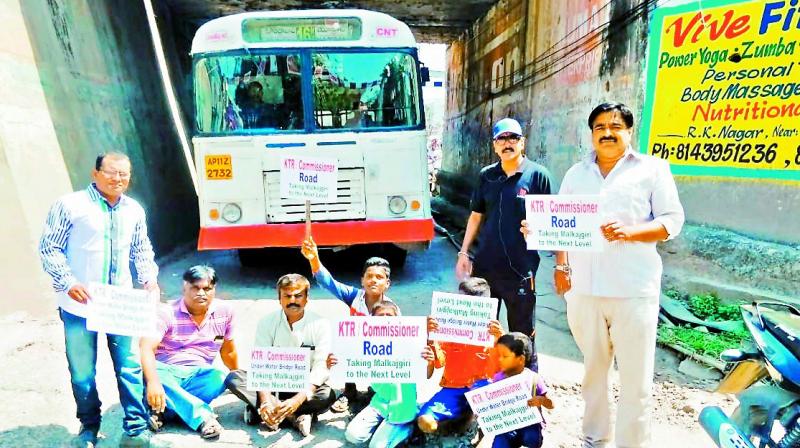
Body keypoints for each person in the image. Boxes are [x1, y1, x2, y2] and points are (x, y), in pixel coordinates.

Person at [525, 102, 684, 447]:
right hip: (584, 290)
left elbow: (672, 221)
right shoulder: (575, 174)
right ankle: (594, 439)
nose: (608, 133)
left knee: (635, 380)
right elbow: (559, 222)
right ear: (592, 133)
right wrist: (546, 242)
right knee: (593, 372)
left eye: (615, 126)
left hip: (633, 290)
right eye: (600, 127)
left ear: (629, 131)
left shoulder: (653, 170)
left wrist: (630, 232)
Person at [39, 153, 162, 447]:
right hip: (78, 305)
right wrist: (68, 282)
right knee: (82, 372)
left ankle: (135, 430)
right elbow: (50, 248)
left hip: (118, 303)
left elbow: (141, 249)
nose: (118, 179)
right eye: (111, 172)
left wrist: (149, 279)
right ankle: (89, 427)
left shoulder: (134, 210)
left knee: (130, 367)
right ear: (95, 173)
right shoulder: (70, 205)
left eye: (124, 174)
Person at [455, 118, 554, 370]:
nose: (507, 143)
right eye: (502, 139)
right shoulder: (486, 176)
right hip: (485, 268)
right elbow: (476, 215)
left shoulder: (538, 176)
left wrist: (559, 261)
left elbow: (552, 223)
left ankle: (529, 387)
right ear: (495, 145)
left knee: (522, 334)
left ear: (522, 142)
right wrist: (464, 252)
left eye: (513, 138)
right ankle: (484, 384)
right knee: (480, 331)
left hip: (521, 270)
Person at [225, 274, 336, 437]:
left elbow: (320, 367)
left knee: (327, 394)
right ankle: (293, 416)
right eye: (287, 296)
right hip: (273, 384)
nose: (293, 300)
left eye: (298, 295)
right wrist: (264, 400)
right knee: (234, 378)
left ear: (306, 298)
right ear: (279, 299)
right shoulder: (266, 323)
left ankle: (268, 413)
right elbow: (261, 366)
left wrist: (297, 400)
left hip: (303, 385)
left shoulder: (321, 324)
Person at [139, 265, 238, 440]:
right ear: (185, 287)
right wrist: (153, 383)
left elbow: (228, 352)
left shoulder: (225, 312)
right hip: (167, 371)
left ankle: (164, 411)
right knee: (156, 376)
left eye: (207, 289)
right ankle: (203, 418)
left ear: (214, 289)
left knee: (221, 376)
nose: (201, 293)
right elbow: (146, 347)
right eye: (195, 288)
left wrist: (238, 379)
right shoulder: (166, 312)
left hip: (199, 375)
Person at [301, 235, 396, 412]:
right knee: (342, 343)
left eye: (379, 277)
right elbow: (329, 283)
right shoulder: (354, 296)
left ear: (387, 283)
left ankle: (375, 391)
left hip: (378, 351)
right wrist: (314, 258)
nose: (373, 280)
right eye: (369, 276)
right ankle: (349, 391)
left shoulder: (391, 309)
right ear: (362, 280)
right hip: (355, 348)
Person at [328, 301, 435, 448]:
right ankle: (388, 429)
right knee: (353, 436)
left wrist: (429, 361)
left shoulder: (410, 344)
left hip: (402, 405)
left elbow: (427, 374)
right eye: (380, 316)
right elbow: (347, 365)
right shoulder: (365, 344)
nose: (385, 319)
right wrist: (334, 364)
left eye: (389, 315)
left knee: (377, 446)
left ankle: (410, 426)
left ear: (397, 320)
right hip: (380, 402)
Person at [417, 277, 503, 435]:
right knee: (425, 421)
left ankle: (478, 424)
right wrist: (430, 334)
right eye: (461, 302)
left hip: (483, 388)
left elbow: (508, 371)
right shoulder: (448, 329)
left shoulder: (496, 333)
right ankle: (461, 419)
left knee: (498, 423)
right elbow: (437, 362)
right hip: (454, 388)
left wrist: (499, 339)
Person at [488, 332, 552, 448]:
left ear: (521, 359)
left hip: (529, 427)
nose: (500, 359)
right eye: (499, 355)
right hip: (506, 426)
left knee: (531, 437)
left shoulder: (534, 379)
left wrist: (541, 401)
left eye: (505, 356)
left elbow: (551, 404)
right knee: (499, 444)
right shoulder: (498, 378)